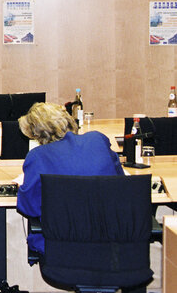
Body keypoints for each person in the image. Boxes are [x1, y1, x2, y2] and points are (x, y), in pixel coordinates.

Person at [16, 102, 123, 254]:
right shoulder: (98, 140)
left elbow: (29, 207)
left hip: (60, 250)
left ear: (37, 133)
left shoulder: (38, 156)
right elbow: (121, 183)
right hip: (112, 245)